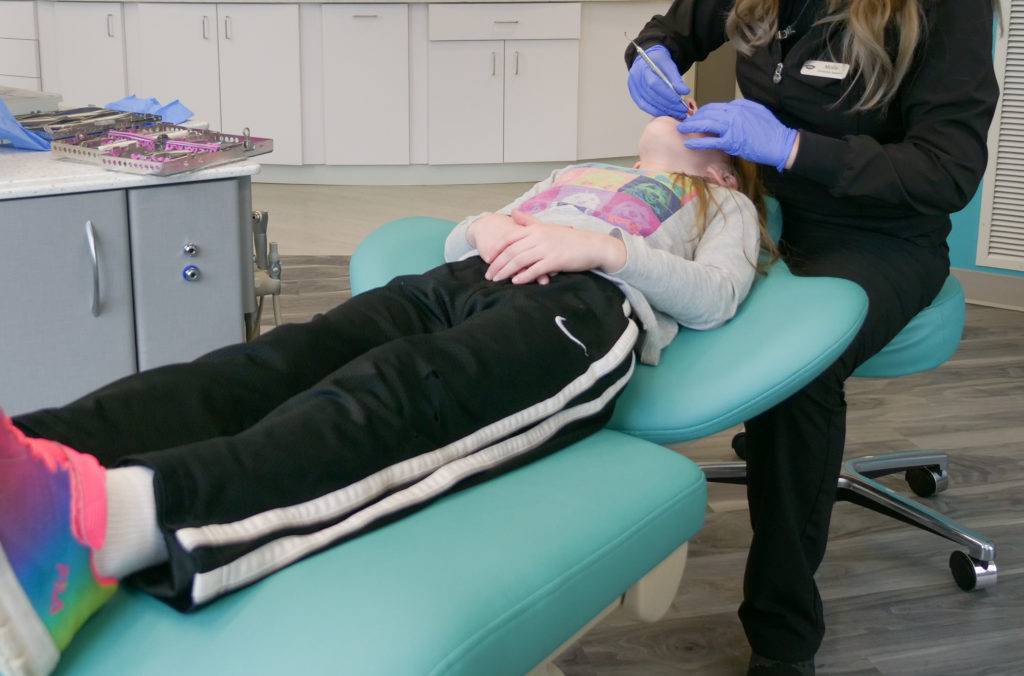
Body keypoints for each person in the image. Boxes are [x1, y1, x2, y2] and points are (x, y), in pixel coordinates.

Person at [1, 115, 767, 676]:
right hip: (460, 281)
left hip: (577, 312)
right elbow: (462, 233)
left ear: (727, 171)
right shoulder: (584, 172)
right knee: (276, 362)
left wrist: (603, 249)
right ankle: (36, 461)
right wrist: (489, 225)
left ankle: (116, 522)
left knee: (393, 395)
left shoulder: (722, 204)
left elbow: (716, 295)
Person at [625, 0, 1000, 676]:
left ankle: (783, 637)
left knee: (798, 379)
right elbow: (676, 26)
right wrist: (651, 56)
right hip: (768, 215)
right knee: (616, 276)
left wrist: (793, 148)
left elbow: (946, 174)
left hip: (882, 241)